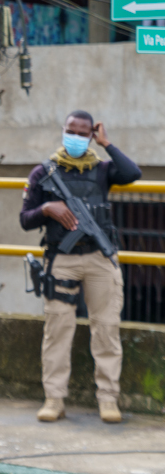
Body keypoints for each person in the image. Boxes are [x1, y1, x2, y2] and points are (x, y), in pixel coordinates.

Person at [20, 111, 141, 424]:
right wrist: (47, 208)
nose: (75, 136)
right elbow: (24, 219)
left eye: (82, 132)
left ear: (91, 135)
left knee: (106, 329)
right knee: (58, 330)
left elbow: (133, 173)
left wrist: (108, 143)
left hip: (100, 260)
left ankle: (108, 399)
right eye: (70, 130)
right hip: (61, 259)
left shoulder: (101, 170)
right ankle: (54, 399)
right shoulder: (43, 172)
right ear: (63, 131)